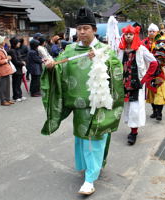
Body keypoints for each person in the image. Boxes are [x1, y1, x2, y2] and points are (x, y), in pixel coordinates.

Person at [41, 7, 124, 195]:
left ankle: (90, 178)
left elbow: (117, 71)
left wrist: (102, 60)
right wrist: (51, 67)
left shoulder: (104, 50)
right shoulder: (70, 50)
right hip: (79, 106)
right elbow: (60, 69)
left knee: (94, 141)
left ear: (94, 30)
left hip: (99, 105)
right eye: (79, 28)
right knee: (81, 140)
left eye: (86, 28)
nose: (82, 32)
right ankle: (90, 167)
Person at [118, 24, 159, 144]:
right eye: (127, 34)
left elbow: (153, 62)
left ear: (135, 35)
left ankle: (134, 132)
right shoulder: (121, 50)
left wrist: (145, 78)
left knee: (135, 108)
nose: (128, 36)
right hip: (125, 82)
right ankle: (132, 128)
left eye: (131, 34)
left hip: (137, 83)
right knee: (128, 107)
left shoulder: (141, 49)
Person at [0, 35, 14, 106]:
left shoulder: (2, 48)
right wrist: (7, 59)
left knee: (7, 86)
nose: (4, 41)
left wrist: (6, 58)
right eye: (3, 40)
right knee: (3, 86)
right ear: (0, 42)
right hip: (1, 71)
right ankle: (3, 100)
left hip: (5, 70)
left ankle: (7, 99)